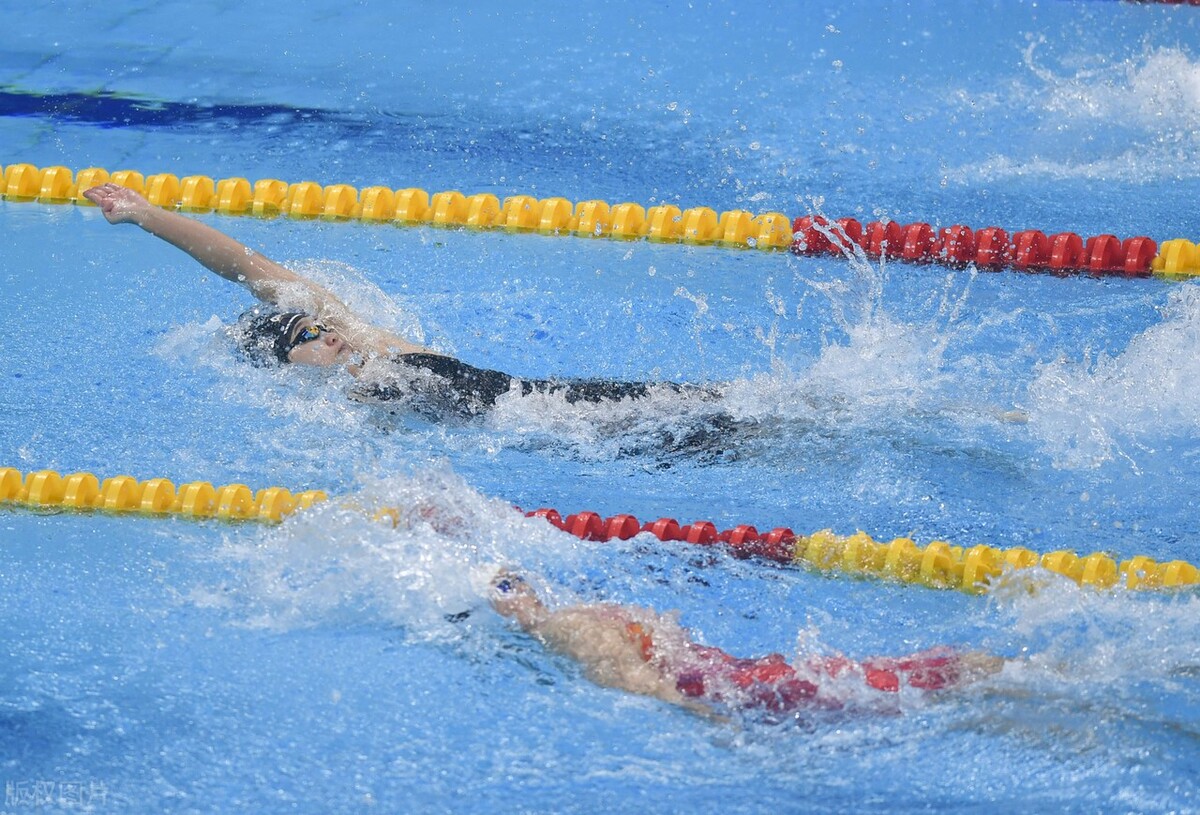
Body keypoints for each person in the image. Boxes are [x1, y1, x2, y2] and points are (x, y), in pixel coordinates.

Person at [81, 183, 713, 420]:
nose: (326, 334)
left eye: (317, 323)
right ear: (286, 367)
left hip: (560, 408)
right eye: (307, 338)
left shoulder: (367, 343)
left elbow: (247, 268)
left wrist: (147, 215)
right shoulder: (325, 408)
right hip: (557, 435)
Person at [489, 569, 1004, 720]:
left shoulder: (567, 628)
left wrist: (716, 726)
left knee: (951, 685)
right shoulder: (588, 613)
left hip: (761, 691)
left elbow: (641, 684)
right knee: (957, 673)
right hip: (760, 676)